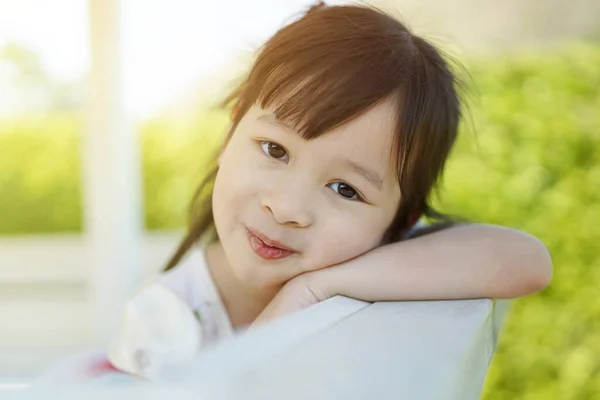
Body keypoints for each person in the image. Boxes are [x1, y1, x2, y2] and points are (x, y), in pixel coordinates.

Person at [107, 2, 553, 379]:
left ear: (403, 218)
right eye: (274, 149)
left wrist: (319, 287)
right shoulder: (161, 324)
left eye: (344, 189)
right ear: (230, 134)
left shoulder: (371, 265)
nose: (286, 208)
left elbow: (528, 261)